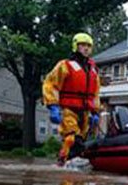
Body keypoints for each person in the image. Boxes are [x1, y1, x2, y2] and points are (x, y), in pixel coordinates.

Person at [42, 32, 101, 165]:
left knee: (81, 143)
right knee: (72, 139)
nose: (86, 48)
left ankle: (69, 167)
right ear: (76, 46)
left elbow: (96, 93)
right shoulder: (65, 65)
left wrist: (95, 112)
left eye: (89, 46)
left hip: (85, 111)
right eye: (83, 45)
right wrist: (53, 106)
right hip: (69, 109)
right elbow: (50, 84)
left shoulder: (93, 69)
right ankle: (63, 164)